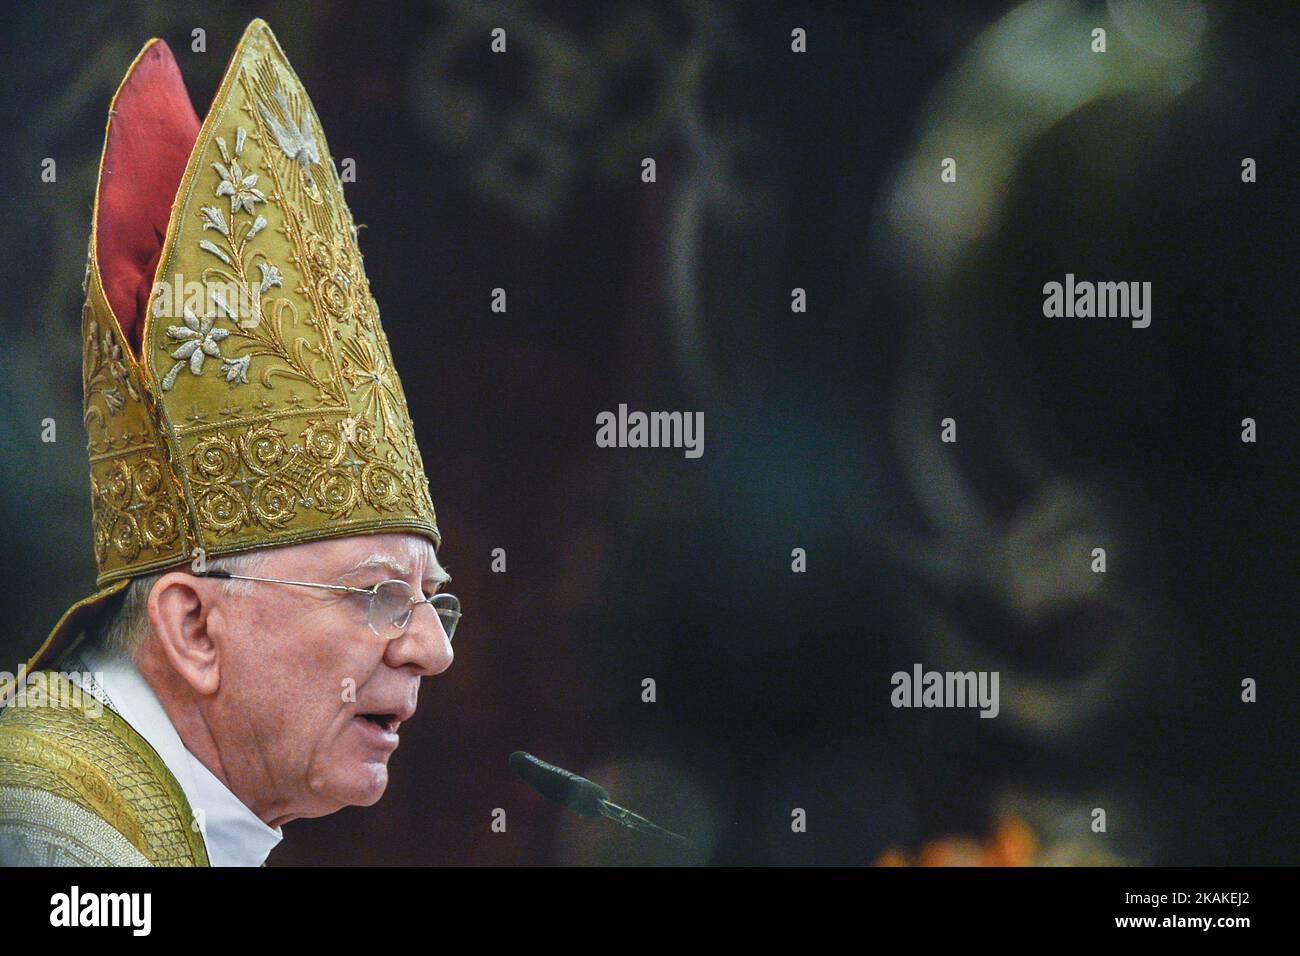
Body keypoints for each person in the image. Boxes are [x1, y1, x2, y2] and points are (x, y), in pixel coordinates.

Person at [0, 19, 458, 866]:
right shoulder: (49, 835)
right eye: (378, 596)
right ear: (193, 628)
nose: (434, 648)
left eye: (434, 598)